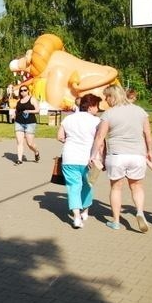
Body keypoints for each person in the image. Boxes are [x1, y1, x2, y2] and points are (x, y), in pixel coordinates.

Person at [90, 84, 152, 232]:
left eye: (107, 97)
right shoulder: (140, 111)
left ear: (113, 96)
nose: (106, 100)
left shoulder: (109, 114)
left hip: (117, 155)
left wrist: (93, 155)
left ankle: (116, 221)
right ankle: (139, 212)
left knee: (116, 188)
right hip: (138, 154)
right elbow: (148, 134)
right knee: (137, 186)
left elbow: (100, 137)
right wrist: (149, 151)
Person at [57, 94, 101, 228]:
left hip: (69, 157)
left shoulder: (68, 119)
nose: (98, 109)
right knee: (87, 184)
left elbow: (59, 137)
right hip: (88, 158)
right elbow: (100, 141)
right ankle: (85, 210)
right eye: (97, 106)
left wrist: (70, 141)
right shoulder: (96, 121)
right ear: (91, 106)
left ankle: (76, 217)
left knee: (73, 187)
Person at [13, 85, 40, 165]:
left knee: (30, 143)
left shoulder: (32, 99)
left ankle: (36, 152)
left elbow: (38, 110)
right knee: (19, 142)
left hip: (30, 123)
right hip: (19, 122)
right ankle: (19, 159)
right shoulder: (19, 100)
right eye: (21, 91)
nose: (23, 92)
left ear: (28, 90)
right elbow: (17, 110)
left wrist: (29, 111)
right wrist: (14, 115)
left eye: (25, 90)